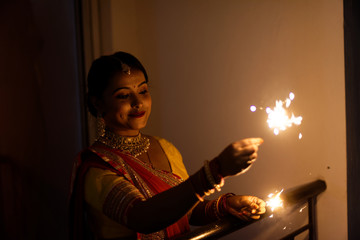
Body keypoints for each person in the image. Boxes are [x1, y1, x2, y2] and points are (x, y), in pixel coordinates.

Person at [69, 51, 266, 240]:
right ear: (98, 103)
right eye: (123, 95)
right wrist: (215, 171)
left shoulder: (165, 148)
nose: (138, 102)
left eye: (143, 91)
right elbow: (143, 218)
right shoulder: (96, 167)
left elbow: (186, 212)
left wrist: (225, 205)